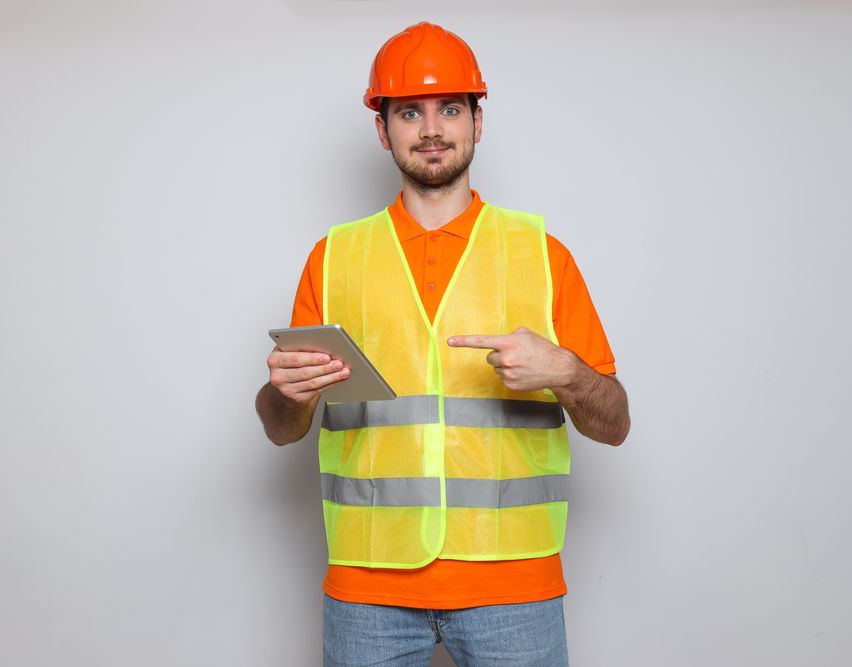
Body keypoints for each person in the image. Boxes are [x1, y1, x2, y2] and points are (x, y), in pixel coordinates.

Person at [256, 21, 630, 667]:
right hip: (367, 586)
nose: (432, 129)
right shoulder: (334, 257)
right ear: (383, 129)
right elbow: (282, 428)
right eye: (410, 112)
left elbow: (615, 423)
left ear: (478, 122)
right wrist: (282, 395)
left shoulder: (542, 255)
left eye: (450, 108)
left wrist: (566, 371)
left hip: (514, 585)